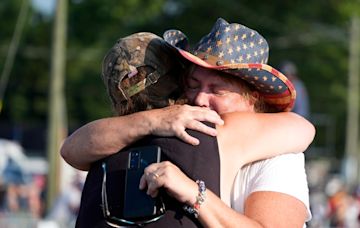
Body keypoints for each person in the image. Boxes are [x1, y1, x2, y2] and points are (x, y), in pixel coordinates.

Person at [62, 18, 315, 227]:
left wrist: (196, 195)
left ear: (253, 97)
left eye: (217, 90)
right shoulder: (143, 133)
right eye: (193, 85)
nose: (201, 99)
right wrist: (155, 120)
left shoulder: (280, 155)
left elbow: (303, 128)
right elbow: (71, 149)